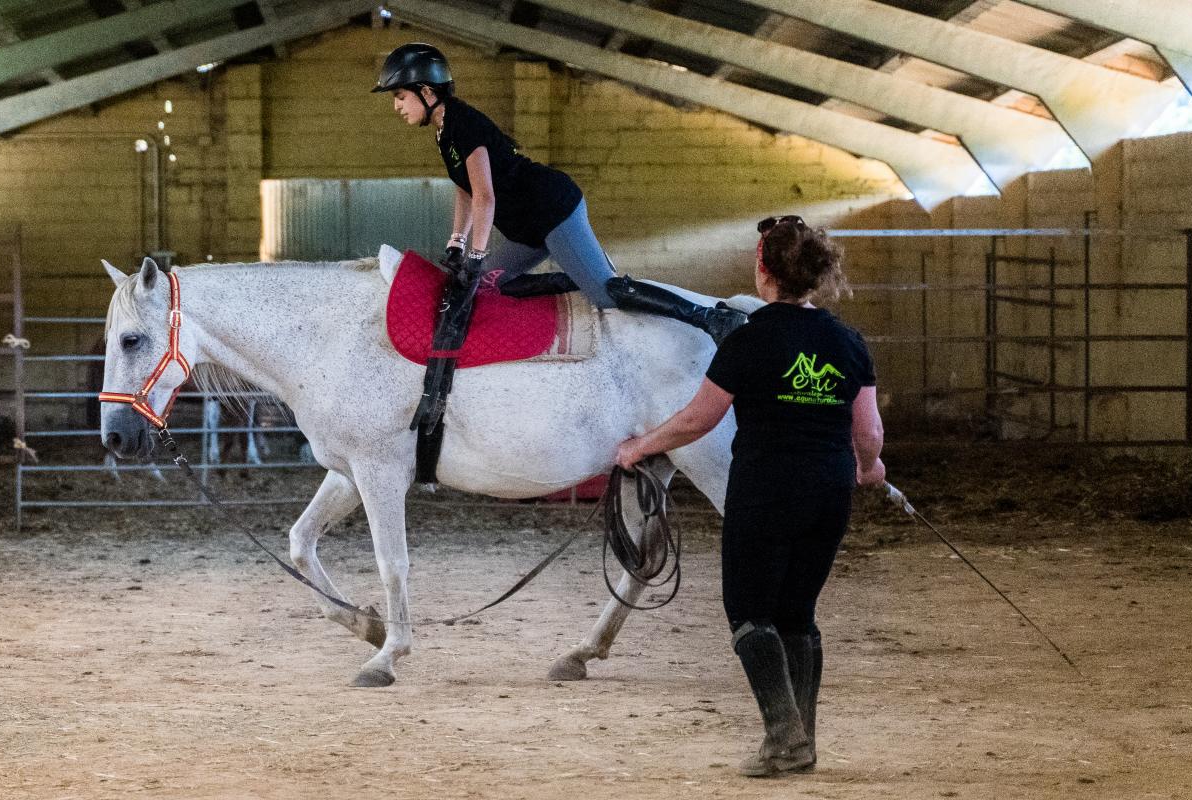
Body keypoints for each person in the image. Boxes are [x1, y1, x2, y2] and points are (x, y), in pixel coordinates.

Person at [373, 43, 746, 483]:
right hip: (528, 228)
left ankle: (710, 317)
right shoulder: (443, 129)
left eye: (400, 96)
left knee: (606, 293)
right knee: (491, 286)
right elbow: (467, 190)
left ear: (425, 90)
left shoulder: (462, 123)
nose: (397, 106)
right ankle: (577, 277)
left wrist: (475, 253)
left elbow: (488, 198)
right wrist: (457, 243)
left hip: (553, 209)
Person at [614, 215, 885, 778]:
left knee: (749, 613)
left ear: (763, 269)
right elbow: (870, 434)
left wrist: (641, 447)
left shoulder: (749, 338)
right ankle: (802, 737)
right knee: (798, 614)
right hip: (829, 492)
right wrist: (868, 467)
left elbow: (698, 419)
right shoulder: (848, 341)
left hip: (765, 490)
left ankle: (784, 737)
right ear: (813, 273)